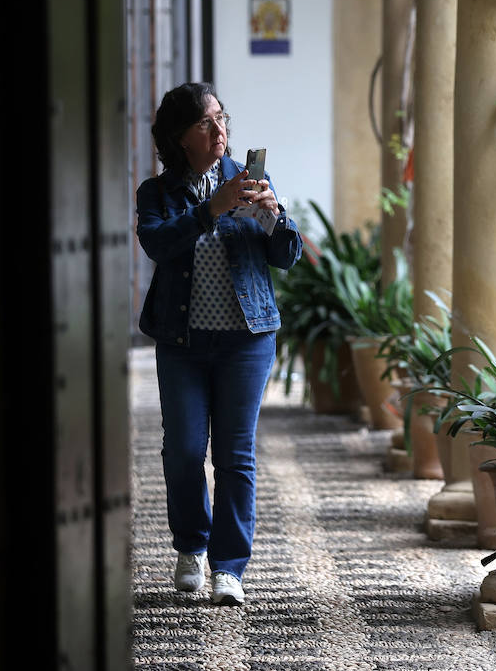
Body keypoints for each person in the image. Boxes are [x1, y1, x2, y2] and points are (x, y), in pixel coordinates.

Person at [135, 82, 303, 605]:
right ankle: (191, 547)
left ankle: (229, 567)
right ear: (180, 137)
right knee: (184, 451)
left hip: (245, 341)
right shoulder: (156, 193)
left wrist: (274, 217)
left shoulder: (251, 180)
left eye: (221, 119)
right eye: (206, 124)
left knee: (234, 455)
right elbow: (159, 244)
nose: (220, 131)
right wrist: (211, 208)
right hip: (182, 341)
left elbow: (286, 256)